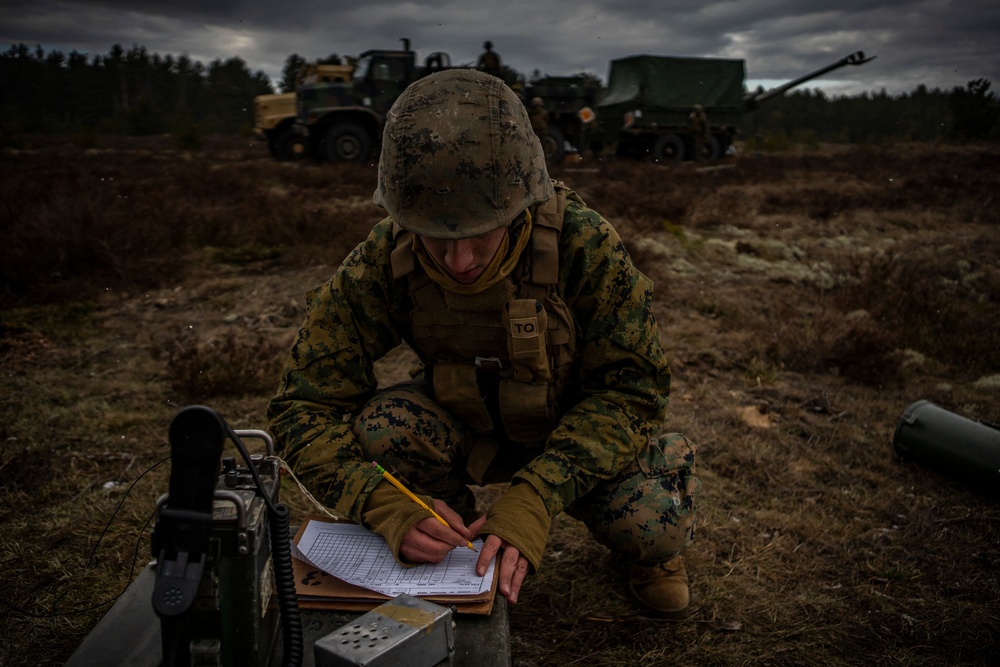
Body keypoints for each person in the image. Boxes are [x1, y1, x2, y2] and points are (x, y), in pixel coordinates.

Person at [267, 69, 699, 619]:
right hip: (464, 425)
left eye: (480, 235)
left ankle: (648, 558)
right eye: (437, 238)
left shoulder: (583, 245)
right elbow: (303, 406)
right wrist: (379, 501)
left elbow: (633, 392)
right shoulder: (381, 261)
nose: (460, 262)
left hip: (571, 429)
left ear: (520, 206)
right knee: (385, 430)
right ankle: (456, 543)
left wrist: (536, 496)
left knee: (651, 519)